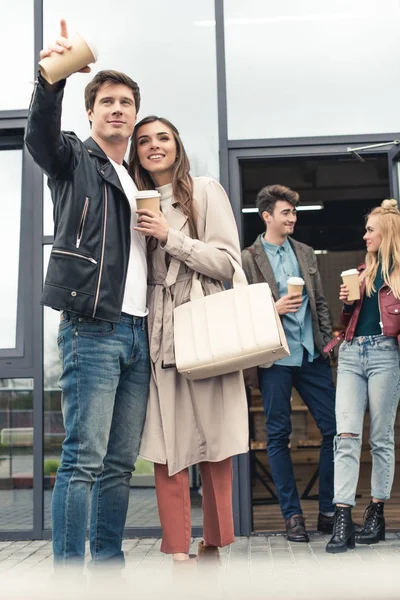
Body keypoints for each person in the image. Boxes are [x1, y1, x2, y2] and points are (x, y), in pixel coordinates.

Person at [25, 20, 150, 567]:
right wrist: (50, 80)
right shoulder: (76, 159)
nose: (117, 109)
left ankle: (107, 566)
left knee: (120, 462)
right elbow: (39, 138)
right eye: (107, 102)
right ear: (91, 112)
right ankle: (69, 574)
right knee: (83, 459)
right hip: (93, 328)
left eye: (126, 103)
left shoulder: (135, 180)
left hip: (137, 333)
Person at [128, 115, 249, 562]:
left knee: (215, 438)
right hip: (155, 332)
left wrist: (170, 237)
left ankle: (216, 538)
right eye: (144, 141)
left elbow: (227, 263)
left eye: (162, 138)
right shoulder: (129, 198)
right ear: (136, 151)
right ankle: (177, 548)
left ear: (177, 144)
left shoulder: (204, 190)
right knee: (165, 441)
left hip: (202, 323)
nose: (154, 146)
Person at [241, 185, 336, 542]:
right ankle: (292, 516)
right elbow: (242, 308)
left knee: (335, 429)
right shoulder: (248, 258)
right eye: (286, 212)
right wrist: (273, 309)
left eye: (295, 212)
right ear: (267, 216)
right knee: (278, 436)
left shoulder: (306, 252)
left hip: (311, 356)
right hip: (275, 358)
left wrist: (326, 344)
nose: (293, 217)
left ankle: (328, 511)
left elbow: (321, 302)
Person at [326, 199, 400, 553]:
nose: (365, 234)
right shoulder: (361, 271)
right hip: (353, 353)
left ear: (387, 233)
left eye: (371, 229)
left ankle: (376, 512)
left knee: (381, 438)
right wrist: (347, 302)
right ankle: (343, 518)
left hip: (386, 354)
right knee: (346, 435)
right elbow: (349, 322)